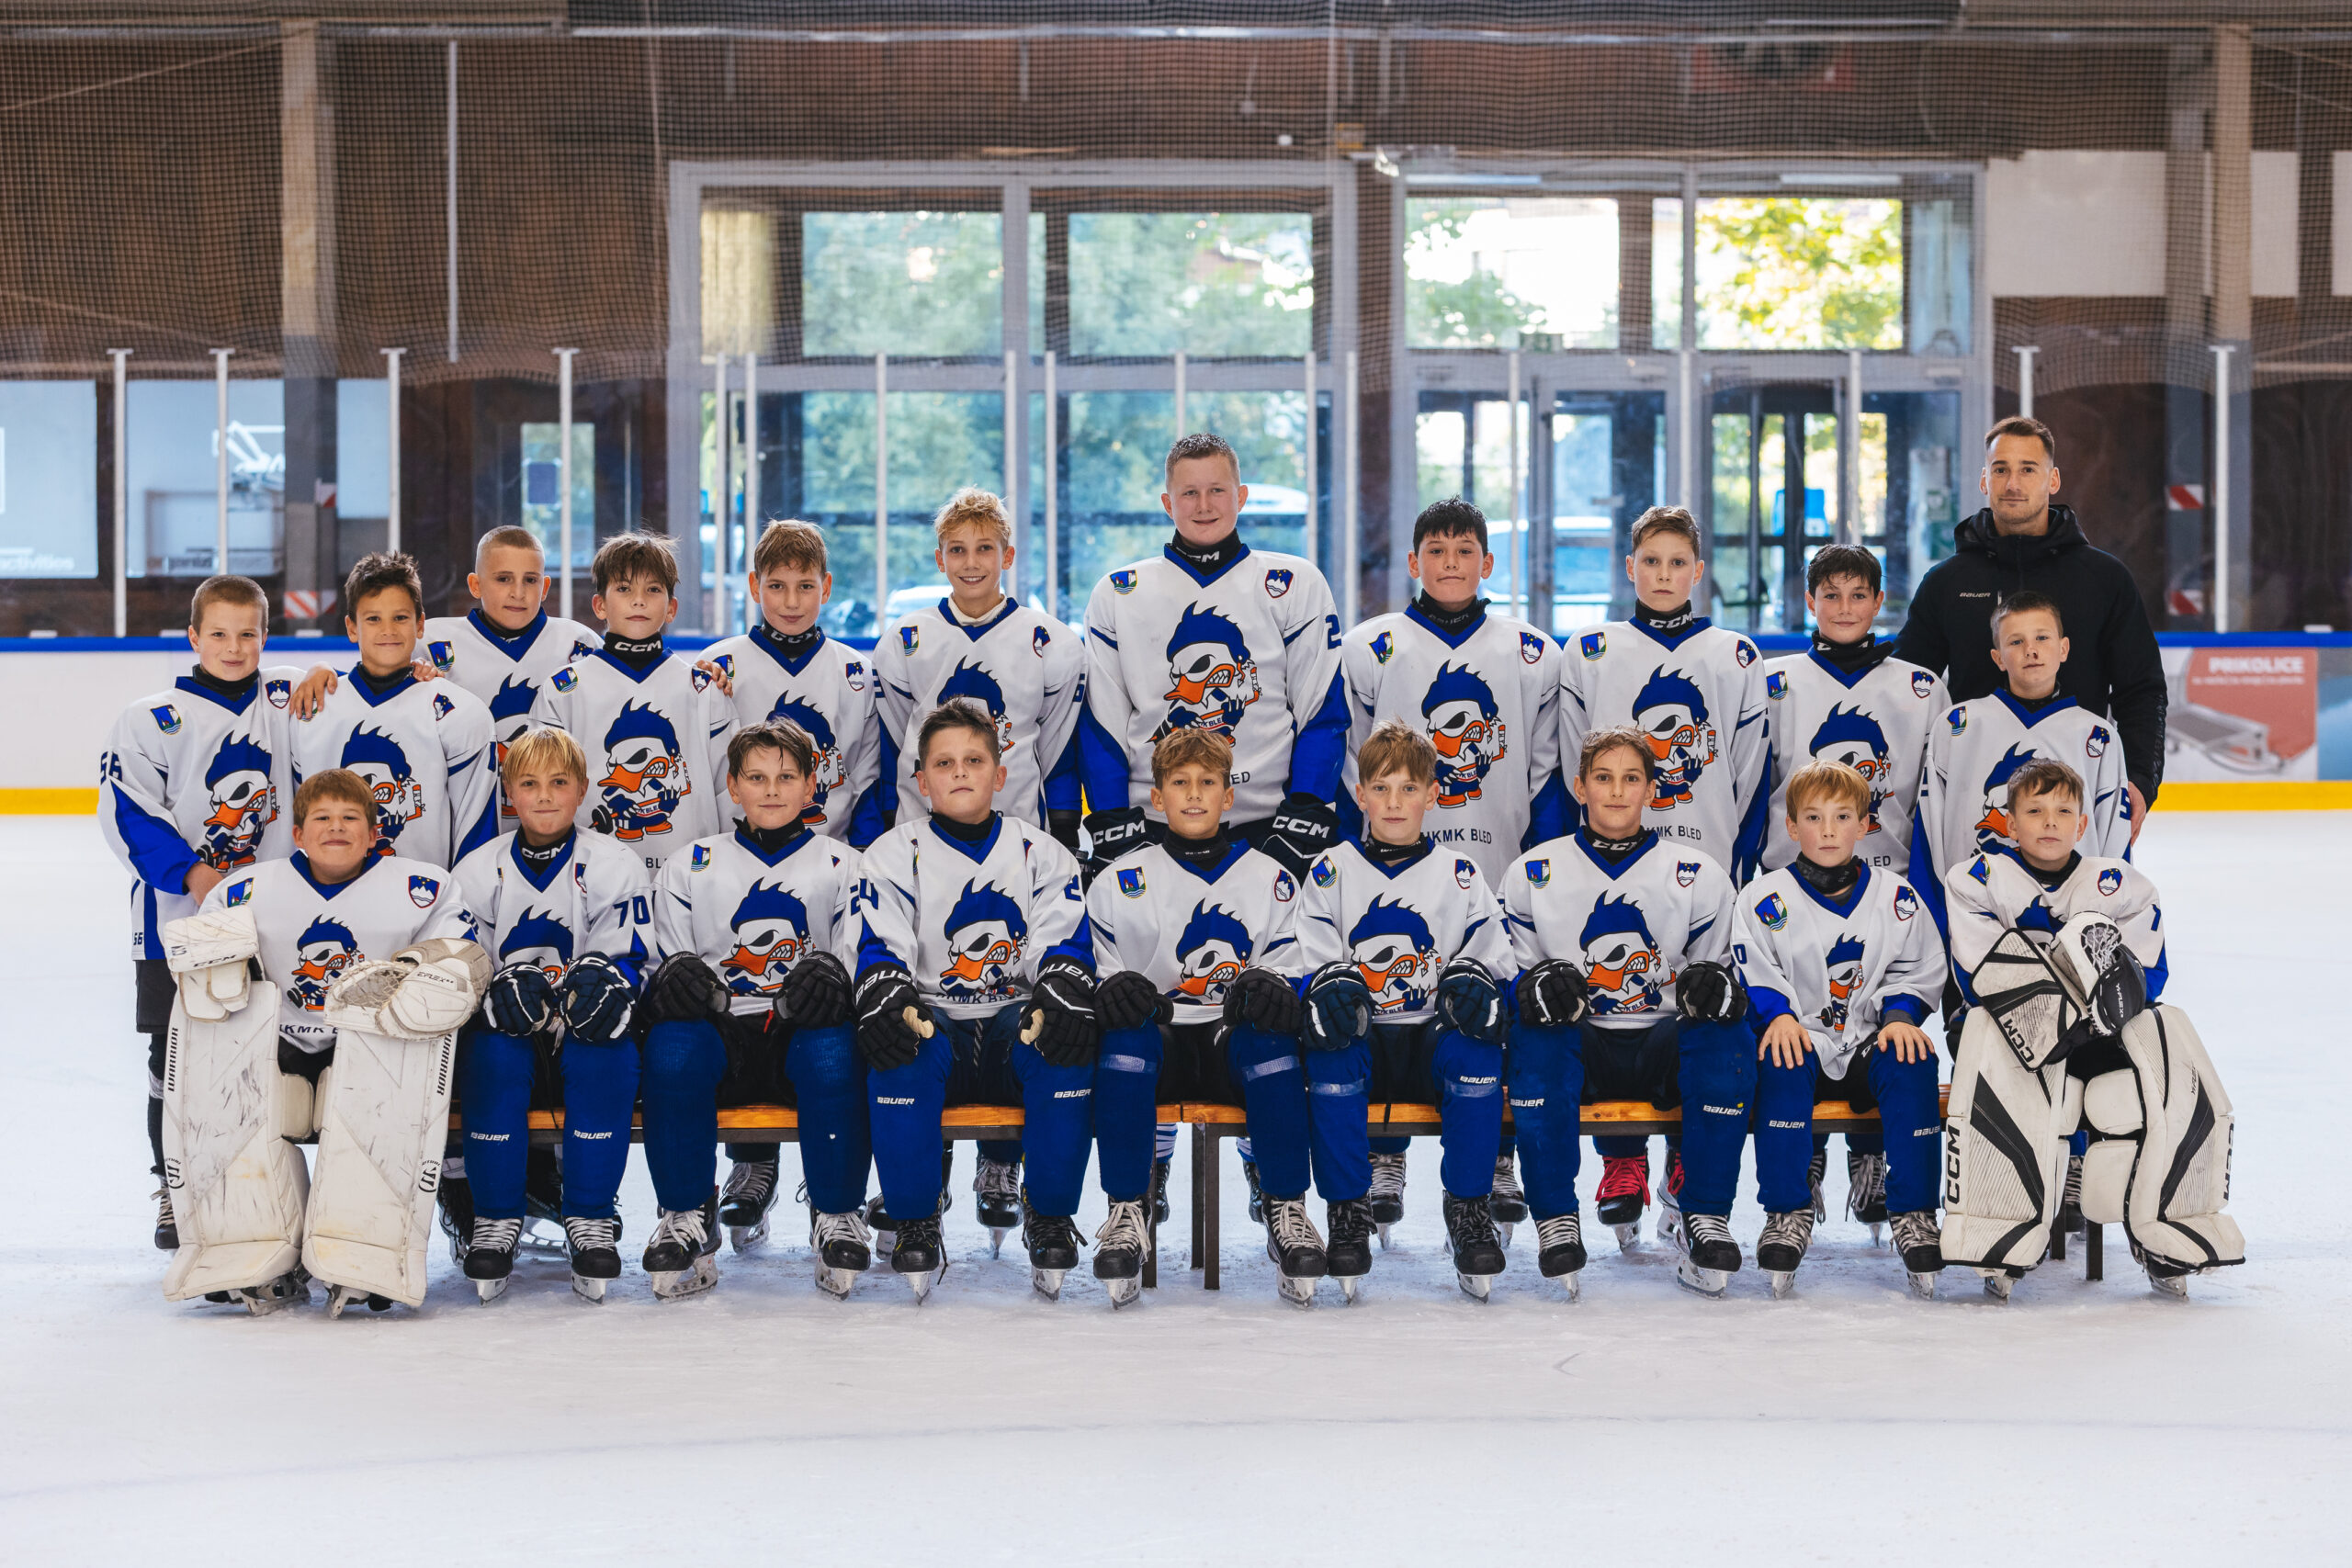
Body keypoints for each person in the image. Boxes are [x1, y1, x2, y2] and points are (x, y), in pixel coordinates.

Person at [164, 768, 486, 1315]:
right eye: (322, 818)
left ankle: (366, 1249)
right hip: (277, 1044)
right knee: (226, 1090)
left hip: (373, 1044)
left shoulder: (423, 889)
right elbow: (200, 949)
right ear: (297, 834)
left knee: (378, 1105)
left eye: (350, 818)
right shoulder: (246, 889)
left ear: (373, 832)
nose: (336, 828)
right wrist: (214, 960)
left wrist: (425, 968)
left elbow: (461, 953)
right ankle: (246, 1244)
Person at [1338, 496, 1565, 1238]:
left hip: (1497, 866)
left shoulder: (1533, 652)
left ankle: (1497, 1154)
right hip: (1393, 870)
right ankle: (1385, 1151)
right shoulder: (1370, 647)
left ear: (1487, 561)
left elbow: (1545, 776)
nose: (1451, 563)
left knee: (1487, 1013)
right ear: (1414, 561)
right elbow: (1350, 768)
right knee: (1386, 1000)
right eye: (1436, 551)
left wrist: (1539, 870)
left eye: (1465, 550)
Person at [1939, 759, 2240, 1301]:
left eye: (2063, 812)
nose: (2049, 822)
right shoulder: (1976, 878)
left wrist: (2098, 1014)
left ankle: (2164, 1231)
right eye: (2034, 811)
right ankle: (1998, 1233)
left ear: (2082, 825)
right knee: (2009, 1082)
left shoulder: (2119, 884)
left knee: (2160, 1058)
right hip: (2007, 1031)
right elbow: (1980, 974)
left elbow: (2147, 976)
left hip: (2100, 1035)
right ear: (2009, 823)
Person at [850, 698, 1100, 1303]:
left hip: (1016, 1024)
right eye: (943, 762)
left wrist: (1059, 989)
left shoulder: (1043, 852)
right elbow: (880, 947)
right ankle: (915, 1216)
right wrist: (890, 995)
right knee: (897, 1043)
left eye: (973, 760)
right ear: (921, 780)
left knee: (1063, 1036)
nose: (959, 771)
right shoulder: (891, 854)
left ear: (1000, 773)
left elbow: (1062, 943)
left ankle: (1050, 1214)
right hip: (936, 1024)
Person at [1500, 727, 1748, 1300]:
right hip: (1582, 1046)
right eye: (1603, 778)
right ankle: (1556, 1217)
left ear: (1652, 789)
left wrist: (1716, 989)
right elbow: (1510, 974)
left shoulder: (1697, 873)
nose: (1616, 791)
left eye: (1631, 778)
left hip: (1662, 1044)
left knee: (1725, 1037)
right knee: (1535, 1040)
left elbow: (1723, 975)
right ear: (1579, 787)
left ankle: (1706, 1213)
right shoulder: (1533, 872)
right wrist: (1529, 990)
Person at [99, 573, 302, 1251]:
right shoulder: (150, 718)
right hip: (175, 925)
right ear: (193, 637)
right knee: (174, 1059)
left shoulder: (288, 698)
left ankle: (258, 1186)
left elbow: (358, 698)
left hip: (275, 923)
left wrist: (416, 673)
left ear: (265, 637)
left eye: (248, 633)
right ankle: (173, 1185)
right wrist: (193, 873)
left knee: (270, 1053)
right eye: (218, 633)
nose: (233, 646)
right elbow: (127, 811)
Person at [1085, 728, 1320, 1307]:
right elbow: (1102, 973)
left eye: (1208, 782)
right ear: (1156, 797)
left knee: (1272, 1044)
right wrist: (1114, 991)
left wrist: (1274, 989)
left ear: (1228, 795)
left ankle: (1285, 1205)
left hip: (1229, 1043)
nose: (1194, 794)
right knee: (1123, 1041)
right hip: (1161, 1042)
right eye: (1179, 782)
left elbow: (1292, 968)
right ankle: (1127, 1208)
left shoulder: (1272, 878)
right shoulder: (1118, 881)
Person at [638, 719, 871, 1300]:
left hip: (802, 1032)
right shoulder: (689, 864)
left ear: (812, 785)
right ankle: (687, 1213)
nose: (771, 790)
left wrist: (835, 981)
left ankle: (837, 1212)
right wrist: (674, 979)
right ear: (733, 785)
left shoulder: (844, 865)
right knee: (671, 1048)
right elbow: (666, 965)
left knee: (835, 1051)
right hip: (722, 1035)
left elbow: (857, 962)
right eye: (757, 777)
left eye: (787, 777)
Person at [1759, 542, 1947, 1235]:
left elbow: (1933, 798)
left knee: (1875, 1027)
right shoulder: (1776, 683)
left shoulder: (1919, 687)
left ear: (1878, 601)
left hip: (1883, 893)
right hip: (1793, 891)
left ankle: (1871, 1158)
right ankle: (1807, 1155)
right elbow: (1753, 788)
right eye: (1830, 594)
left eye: (1858, 594)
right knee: (1801, 1027)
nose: (1844, 607)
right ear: (1810, 601)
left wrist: (1922, 889)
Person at [1294, 719, 1513, 1302]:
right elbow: (1310, 960)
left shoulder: (1460, 874)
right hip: (1362, 1039)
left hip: (1430, 1041)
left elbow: (1495, 960)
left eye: (1409, 788)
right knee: (1331, 1049)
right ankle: (1348, 1209)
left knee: (1476, 1050)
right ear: (1360, 794)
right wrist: (1327, 987)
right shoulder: (1332, 869)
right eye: (1381, 788)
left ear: (1433, 794)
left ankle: (1468, 1207)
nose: (1394, 802)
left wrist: (1476, 983)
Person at [1080, 430, 1350, 882]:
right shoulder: (1117, 593)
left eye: (1217, 491)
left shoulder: (1295, 584)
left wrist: (1305, 814)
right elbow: (1101, 723)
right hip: (1155, 829)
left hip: (1270, 829)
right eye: (1189, 493)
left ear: (1240, 496)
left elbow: (1322, 711)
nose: (1204, 505)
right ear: (1167, 504)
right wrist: (1112, 822)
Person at [448, 726, 652, 1303]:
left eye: (559, 783)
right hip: (511, 1033)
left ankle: (589, 1215)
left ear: (583, 789)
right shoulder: (477, 869)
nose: (543, 796)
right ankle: (495, 1217)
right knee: (490, 1056)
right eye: (529, 783)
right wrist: (492, 993)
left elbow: (631, 959)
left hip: (582, 1032)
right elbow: (463, 961)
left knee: (605, 1056)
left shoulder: (614, 862)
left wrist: (605, 986)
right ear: (508, 792)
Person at [1894, 414, 2165, 845]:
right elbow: (1908, 691)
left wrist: (2139, 780)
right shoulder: (1947, 582)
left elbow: (2141, 689)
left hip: (2076, 793)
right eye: (2000, 469)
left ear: (2053, 479)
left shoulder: (2104, 579)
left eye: (2028, 469)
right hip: (1975, 797)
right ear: (1984, 480)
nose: (2013, 483)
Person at [1733, 761, 1948, 1299]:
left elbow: (1920, 966)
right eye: (1813, 817)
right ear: (1791, 826)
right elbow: (1752, 967)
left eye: (1842, 817)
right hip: (1800, 1039)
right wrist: (1779, 1016)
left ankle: (1914, 1212)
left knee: (1913, 1059)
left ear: (1866, 824)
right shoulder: (1763, 898)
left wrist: (1900, 1016)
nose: (1828, 830)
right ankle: (1788, 1210)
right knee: (1779, 1059)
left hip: (1868, 1043)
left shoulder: (1896, 897)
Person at [1556, 505, 1770, 883]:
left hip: (1710, 863)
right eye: (1651, 561)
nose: (1664, 575)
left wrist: (1738, 869)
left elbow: (1752, 780)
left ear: (1698, 572)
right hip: (1605, 863)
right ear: (1630, 567)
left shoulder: (1736, 656)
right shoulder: (1589, 652)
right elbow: (1573, 771)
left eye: (1678, 563)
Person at [1911, 590, 2132, 939]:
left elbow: (2114, 844)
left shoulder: (2097, 736)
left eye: (2042, 638)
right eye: (2016, 641)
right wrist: (1935, 926)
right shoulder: (1956, 726)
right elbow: (1929, 834)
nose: (2031, 650)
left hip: (2072, 928)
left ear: (2063, 649)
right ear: (1998, 657)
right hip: (1973, 923)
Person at [876, 487, 1085, 844]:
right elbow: (894, 744)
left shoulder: (1052, 641)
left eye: (985, 548)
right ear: (940, 559)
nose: (971, 563)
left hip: (1019, 834)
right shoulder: (904, 639)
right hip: (919, 833)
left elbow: (1059, 750)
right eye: (957, 550)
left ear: (1008, 556)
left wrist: (1065, 827)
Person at [530, 532, 737, 874]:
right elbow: (544, 791)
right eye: (624, 589)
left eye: (653, 590)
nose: (638, 601)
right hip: (591, 879)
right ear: (600, 605)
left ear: (672, 608)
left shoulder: (705, 691)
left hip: (691, 879)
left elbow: (730, 794)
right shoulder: (563, 691)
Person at [291, 552, 501, 870]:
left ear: (420, 624)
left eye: (400, 618)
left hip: (423, 896)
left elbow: (475, 832)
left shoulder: (459, 713)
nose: (387, 629)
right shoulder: (313, 710)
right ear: (351, 627)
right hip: (329, 892)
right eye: (373, 619)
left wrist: (460, 897)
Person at [702, 519, 884, 844]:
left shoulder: (856, 672)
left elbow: (865, 782)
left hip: (830, 856)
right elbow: (705, 779)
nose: (791, 602)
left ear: (826, 587)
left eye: (805, 586)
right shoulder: (719, 666)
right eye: (776, 586)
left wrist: (860, 854)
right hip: (739, 855)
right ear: (754, 585)